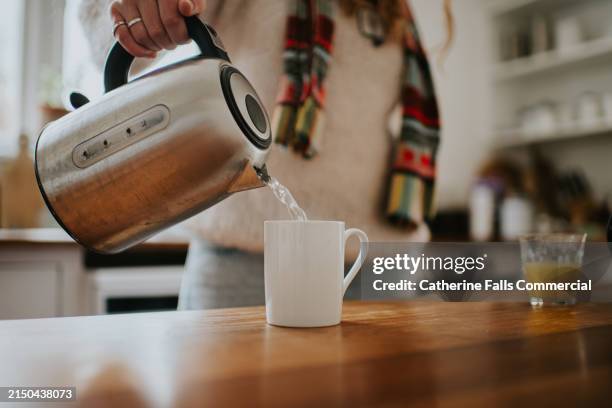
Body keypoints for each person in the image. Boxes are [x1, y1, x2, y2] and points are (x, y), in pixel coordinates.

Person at [80, 0, 451, 309]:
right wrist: (135, 11)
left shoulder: (398, 8)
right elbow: (109, 29)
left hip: (385, 264)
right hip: (243, 262)